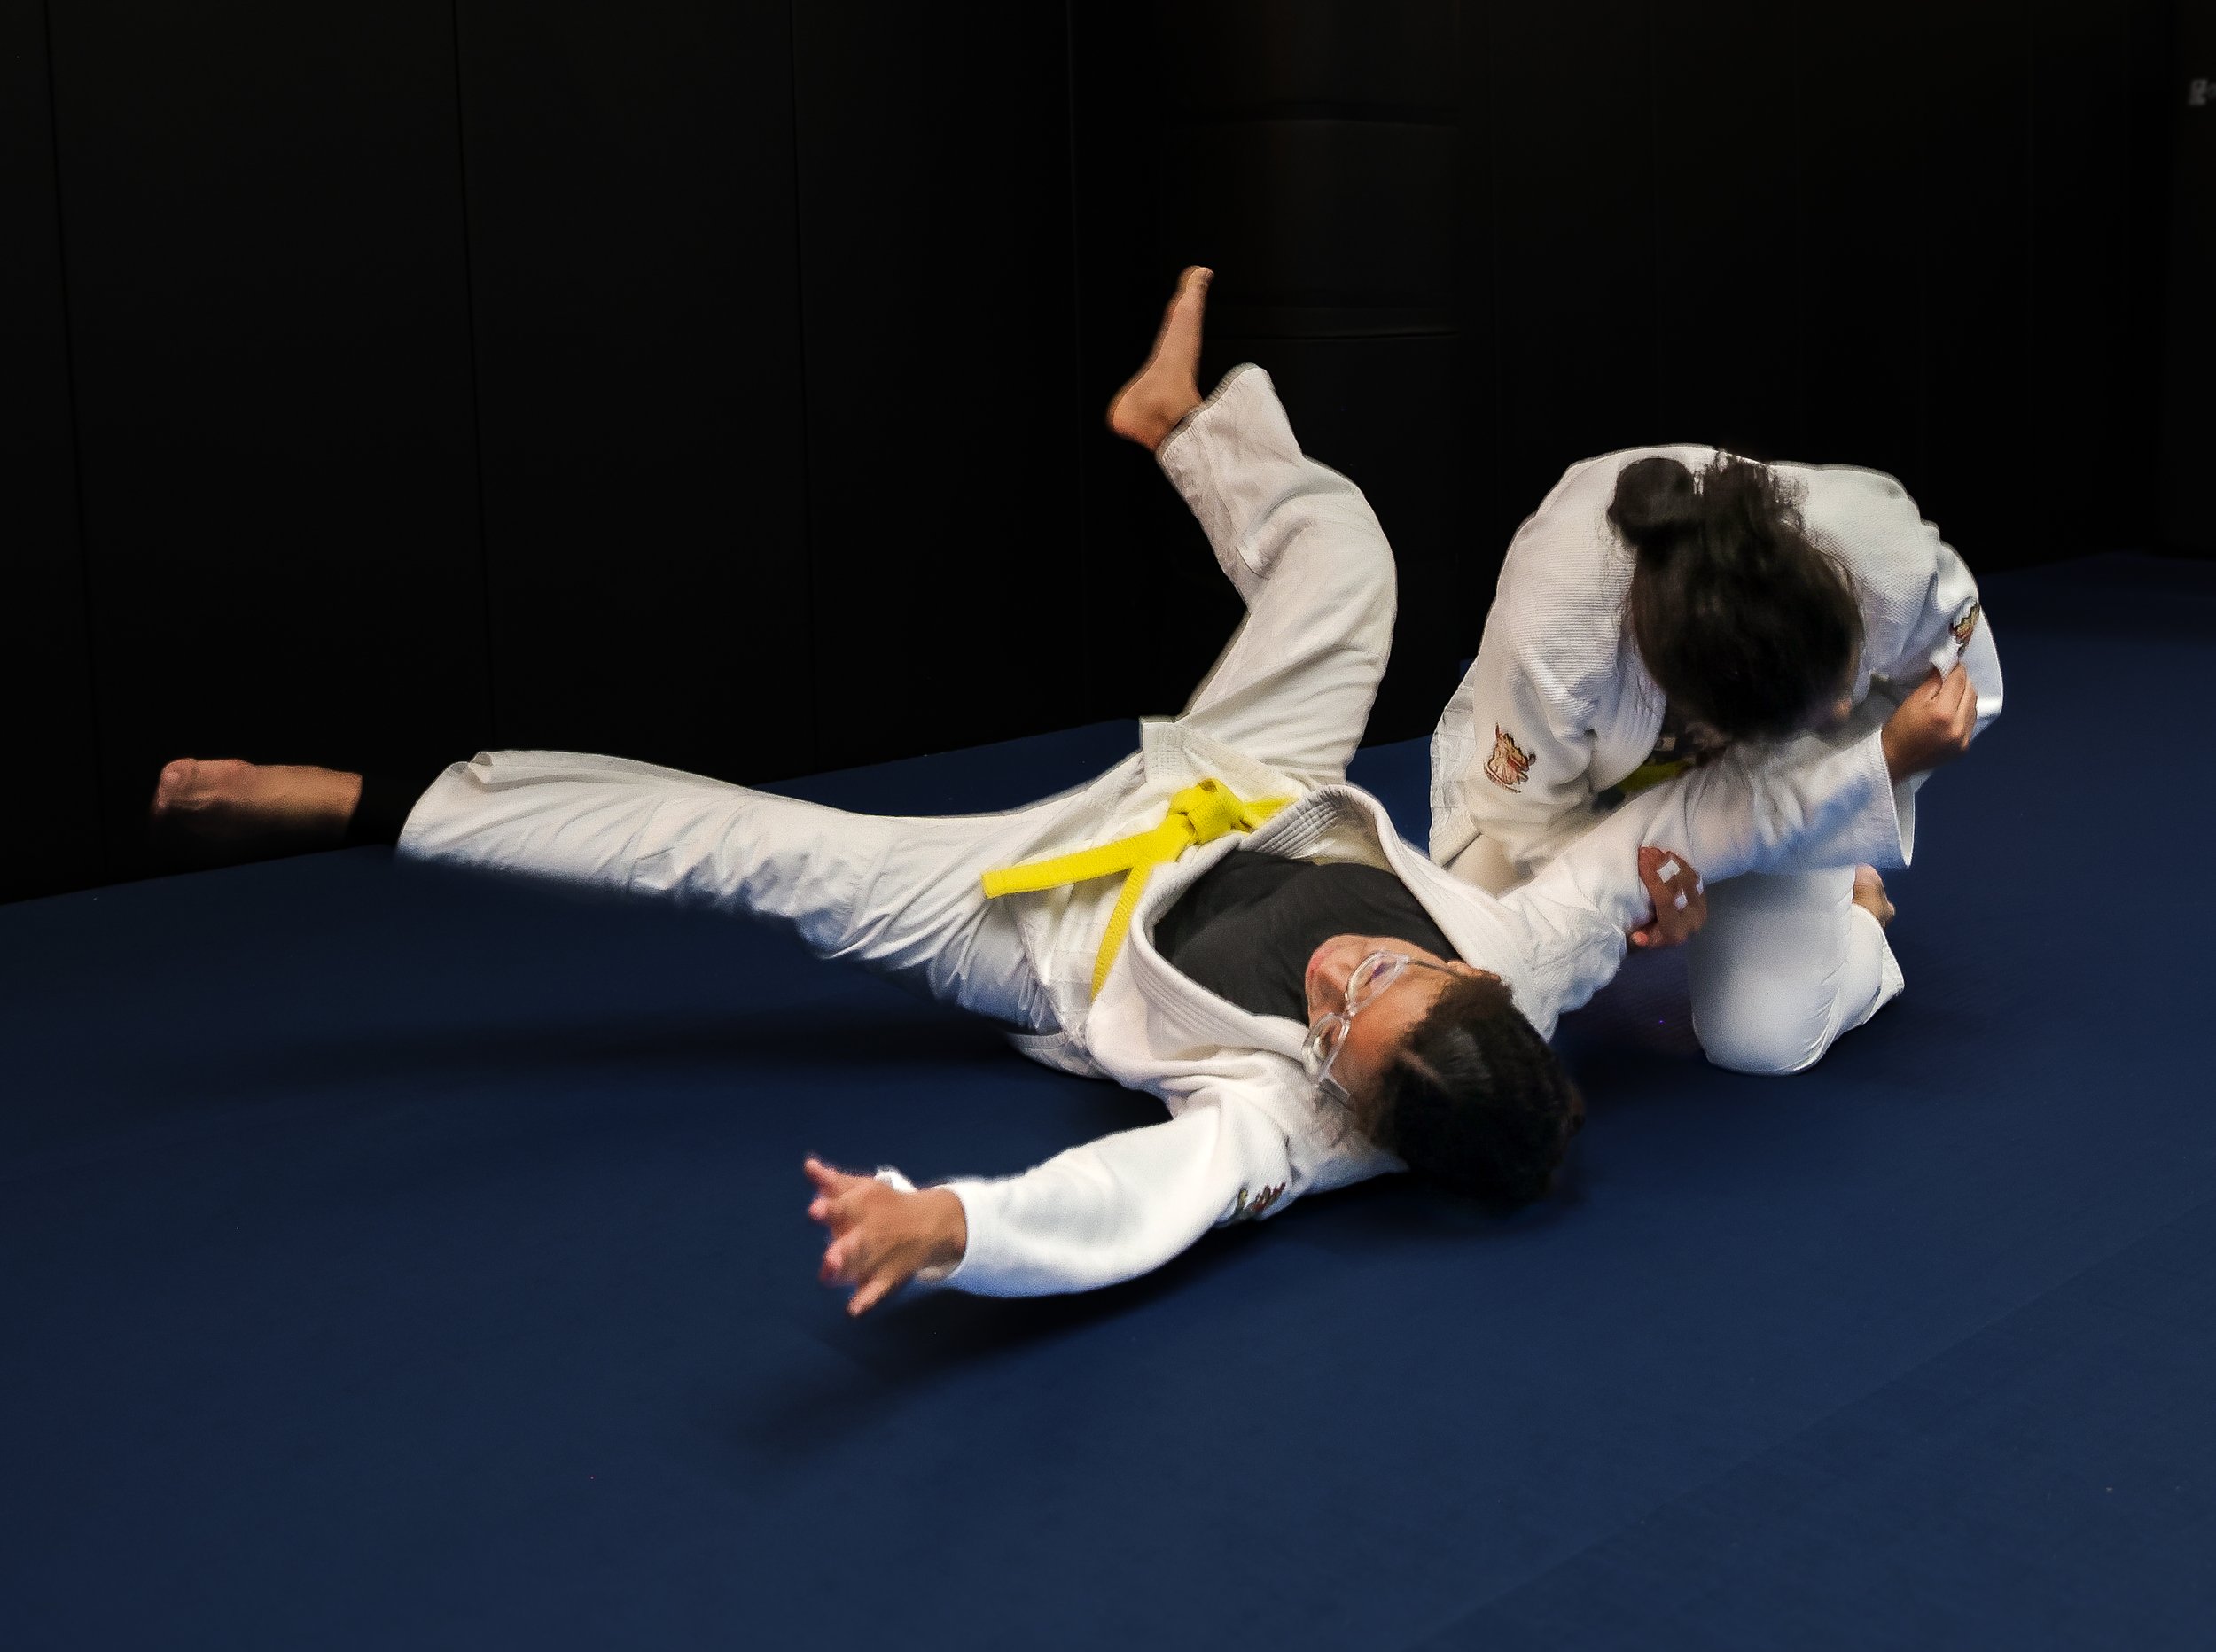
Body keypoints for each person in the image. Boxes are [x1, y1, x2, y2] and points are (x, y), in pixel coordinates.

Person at [152, 270, 1954, 1314]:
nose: (1340, 990)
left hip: (1046, 907)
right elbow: (1688, 824)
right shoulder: (1528, 954)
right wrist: (1876, 757)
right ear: (1473, 981)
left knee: (744, 849)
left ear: (1349, 1104)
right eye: (1384, 983)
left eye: (1341, 1030)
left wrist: (956, 1227)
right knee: (1350, 560)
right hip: (1244, 783)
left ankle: (382, 798)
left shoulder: (1297, 1131)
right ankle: (1181, 424)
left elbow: (1138, 1202)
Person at [1430, 445, 2001, 1076]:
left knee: (1764, 1039)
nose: (1844, 711)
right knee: (1473, 975)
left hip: (1785, 778)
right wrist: (1638, 893)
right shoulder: (1554, 634)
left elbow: (1964, 695)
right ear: (1700, 720)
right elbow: (1528, 818)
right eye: (1819, 710)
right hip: (1572, 791)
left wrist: (1882, 761)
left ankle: (1862, 908)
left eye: (1843, 682)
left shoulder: (1881, 554)